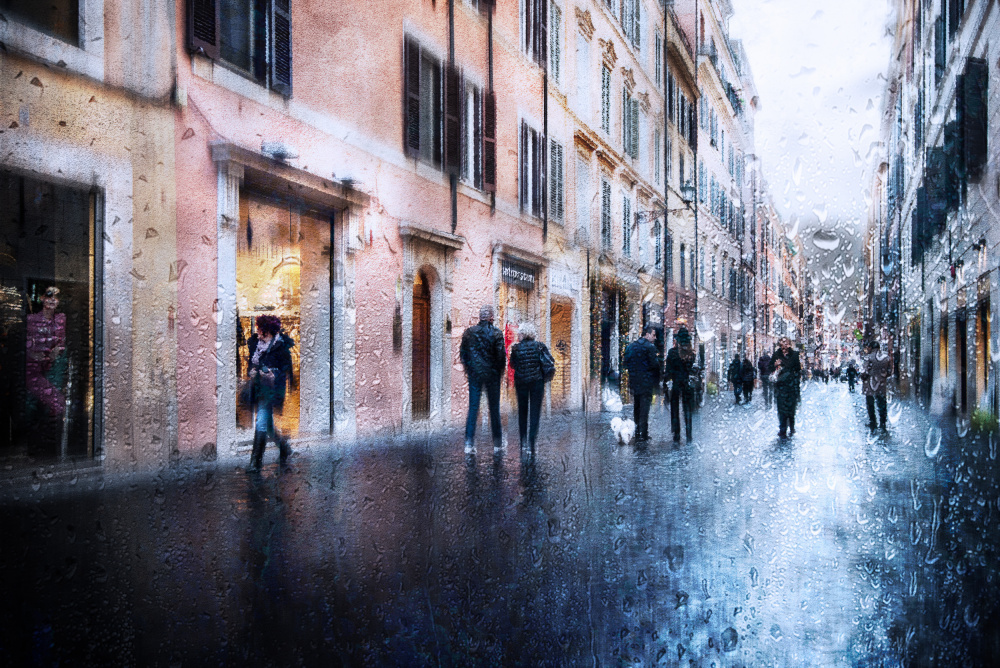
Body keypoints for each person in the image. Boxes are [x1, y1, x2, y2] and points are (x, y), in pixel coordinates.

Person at [246, 314, 295, 471]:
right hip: (258, 388)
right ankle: (284, 447)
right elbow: (250, 365)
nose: (258, 332)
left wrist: (273, 374)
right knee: (267, 425)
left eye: (261, 330)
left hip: (271, 390)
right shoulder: (255, 343)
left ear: (269, 332)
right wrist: (252, 372)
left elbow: (286, 371)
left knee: (261, 421)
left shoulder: (281, 347)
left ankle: (255, 462)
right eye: (259, 330)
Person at [460, 304, 507, 453]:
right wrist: (499, 372)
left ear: (480, 317)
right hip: (492, 375)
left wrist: (469, 369)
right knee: (494, 409)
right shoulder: (497, 333)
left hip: (475, 375)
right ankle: (498, 444)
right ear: (491, 317)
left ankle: (469, 443)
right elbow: (501, 357)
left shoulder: (469, 333)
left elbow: (463, 355)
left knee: (473, 408)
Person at [508, 322, 555, 451]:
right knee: (535, 413)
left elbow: (512, 364)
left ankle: (523, 441)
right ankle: (531, 443)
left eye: (520, 333)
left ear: (523, 334)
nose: (518, 335)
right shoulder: (540, 346)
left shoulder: (516, 348)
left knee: (522, 413)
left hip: (521, 383)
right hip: (537, 383)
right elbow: (549, 362)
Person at [26, 286, 68, 419]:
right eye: (49, 295)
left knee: (56, 406)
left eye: (56, 297)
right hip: (32, 371)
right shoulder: (31, 320)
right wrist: (32, 354)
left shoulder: (61, 319)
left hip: (54, 369)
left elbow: (64, 341)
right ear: (42, 298)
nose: (53, 300)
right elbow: (25, 345)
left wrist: (59, 349)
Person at [623, 324, 661, 442]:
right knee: (644, 408)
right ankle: (642, 433)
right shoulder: (650, 348)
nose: (655, 338)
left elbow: (625, 363)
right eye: (654, 335)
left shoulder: (631, 347)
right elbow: (655, 365)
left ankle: (636, 430)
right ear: (647, 334)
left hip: (634, 381)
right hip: (646, 382)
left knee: (637, 406)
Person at [666, 326, 696, 442]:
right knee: (687, 409)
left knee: (675, 410)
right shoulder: (691, 354)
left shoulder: (673, 353)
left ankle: (676, 434)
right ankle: (689, 433)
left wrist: (667, 380)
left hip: (676, 383)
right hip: (687, 384)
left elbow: (668, 370)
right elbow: (694, 370)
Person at [772, 336, 801, 438]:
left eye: (786, 342)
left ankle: (792, 427)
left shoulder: (795, 355)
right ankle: (782, 429)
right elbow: (770, 368)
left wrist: (795, 381)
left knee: (791, 408)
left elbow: (798, 370)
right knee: (781, 409)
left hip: (791, 385)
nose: (784, 345)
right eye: (782, 343)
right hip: (781, 386)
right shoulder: (776, 355)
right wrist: (775, 364)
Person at [861, 341, 890, 430]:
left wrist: (864, 377)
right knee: (882, 403)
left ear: (871, 348)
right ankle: (883, 422)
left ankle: (873, 422)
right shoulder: (886, 358)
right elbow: (889, 372)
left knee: (870, 405)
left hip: (869, 385)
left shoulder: (868, 358)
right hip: (881, 384)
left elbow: (864, 371)